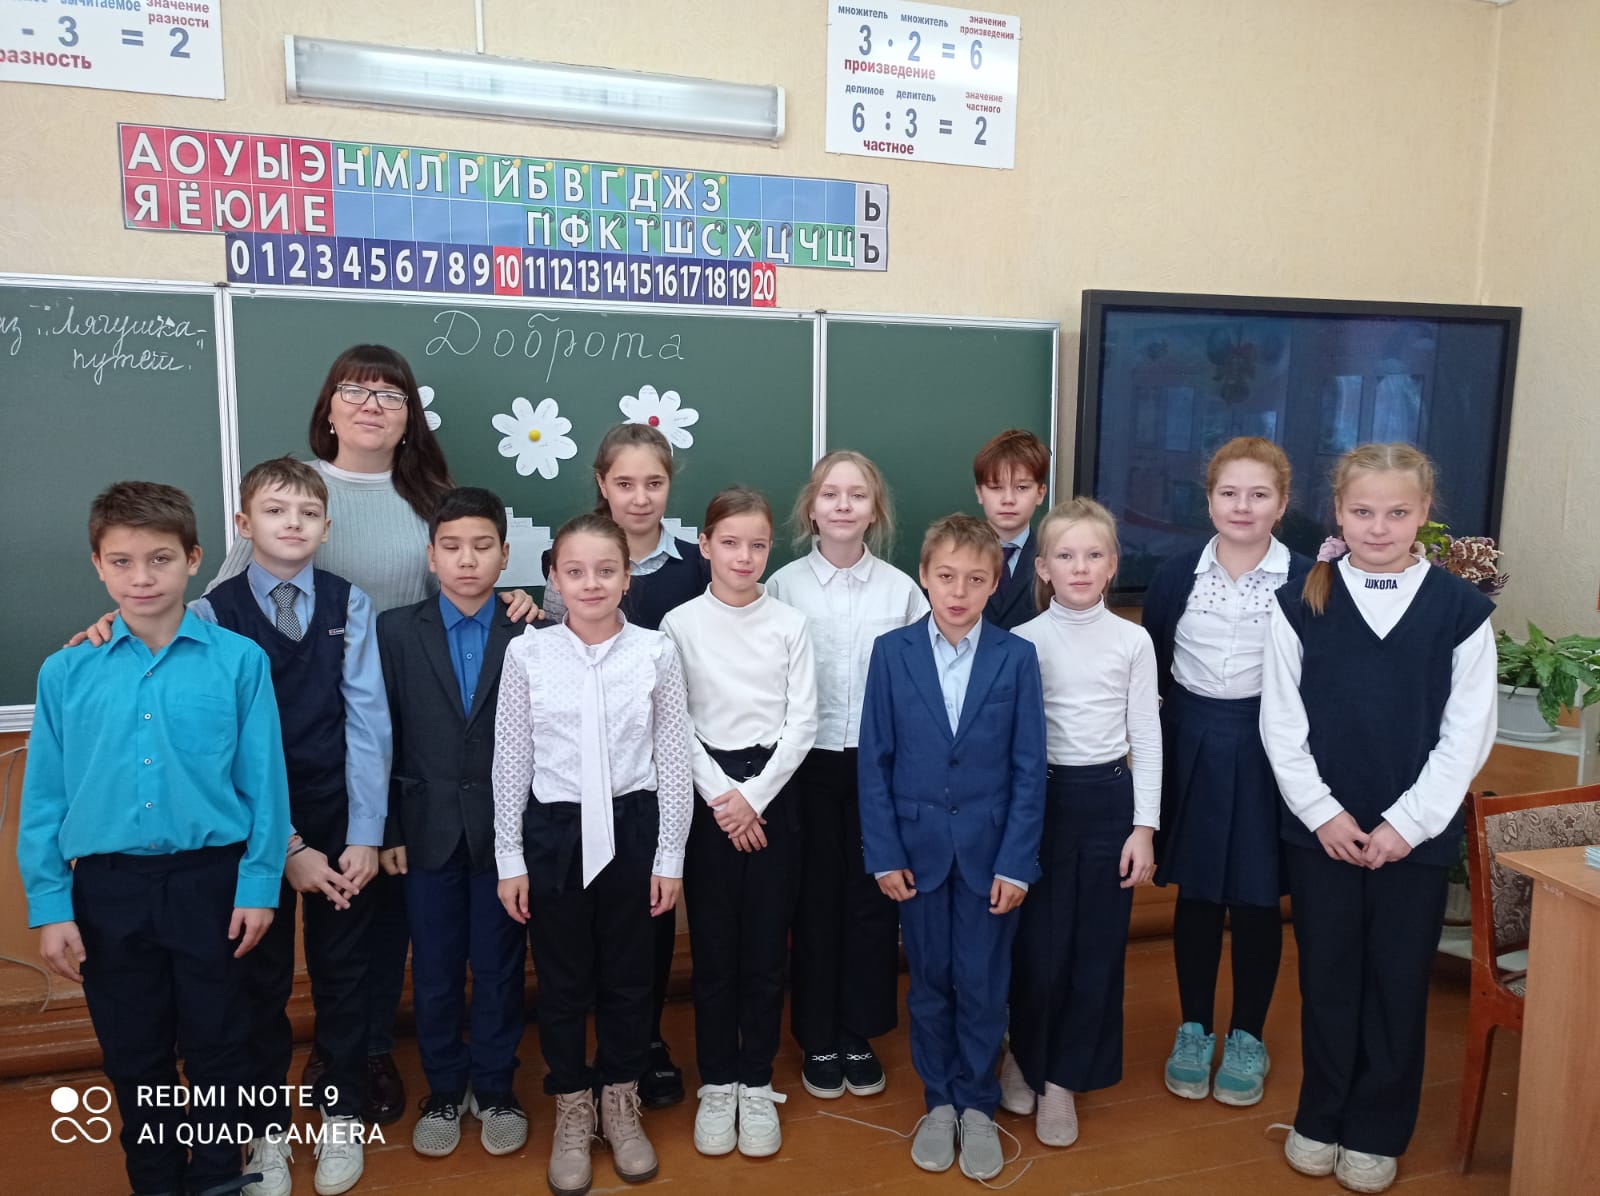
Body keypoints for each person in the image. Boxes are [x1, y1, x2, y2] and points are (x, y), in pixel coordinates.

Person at [71, 344, 538, 1124]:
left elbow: (471, 586)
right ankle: (297, 1086)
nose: (371, 404)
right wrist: (117, 622)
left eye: (390, 394)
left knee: (373, 927)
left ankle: (364, 1056)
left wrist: (525, 602)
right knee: (281, 944)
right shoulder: (288, 492)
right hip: (283, 751)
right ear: (328, 406)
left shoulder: (433, 500)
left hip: (401, 741)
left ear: (410, 417)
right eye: (354, 389)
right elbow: (191, 610)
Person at [18, 481, 291, 1196]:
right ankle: (156, 1181)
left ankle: (217, 1178)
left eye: (160, 559)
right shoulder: (66, 671)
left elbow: (264, 784)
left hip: (212, 884)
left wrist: (260, 884)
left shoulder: (239, 662)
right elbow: (43, 799)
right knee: (134, 1056)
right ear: (98, 566)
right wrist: (50, 904)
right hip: (107, 891)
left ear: (193, 560)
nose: (142, 577)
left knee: (219, 1047)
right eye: (122, 561)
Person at [1262, 443, 1495, 1194]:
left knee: (1396, 982)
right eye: (1362, 511)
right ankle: (1321, 1115)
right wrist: (1323, 814)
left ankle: (1377, 1130)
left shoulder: (1461, 611)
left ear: (1424, 513)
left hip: (1414, 842)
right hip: (1322, 834)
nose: (1379, 526)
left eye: (1397, 512)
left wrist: (1407, 825)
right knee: (1327, 977)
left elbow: (1467, 735)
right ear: (1338, 512)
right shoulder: (1299, 601)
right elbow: (1281, 723)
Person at [195, 458, 390, 1196]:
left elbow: (368, 722)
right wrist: (284, 848)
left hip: (337, 813)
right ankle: (265, 1134)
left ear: (326, 527)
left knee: (345, 974)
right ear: (244, 525)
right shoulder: (211, 614)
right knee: (259, 981)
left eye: (308, 513)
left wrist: (365, 833)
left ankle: (341, 1117)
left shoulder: (349, 602)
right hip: (252, 827)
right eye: (276, 511)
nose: (293, 524)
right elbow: (218, 746)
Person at [495, 511, 694, 1196]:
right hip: (555, 832)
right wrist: (510, 857)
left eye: (606, 570)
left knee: (631, 977)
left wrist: (669, 856)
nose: (591, 583)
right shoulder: (527, 655)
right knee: (562, 981)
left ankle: (620, 1097)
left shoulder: (655, 652)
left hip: (633, 825)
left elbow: (673, 760)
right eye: (575, 571)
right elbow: (511, 762)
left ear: (627, 577)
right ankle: (573, 1105)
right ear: (553, 577)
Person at [858, 514, 1046, 1183]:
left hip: (991, 857)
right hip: (917, 854)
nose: (958, 591)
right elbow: (874, 761)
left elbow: (1029, 769)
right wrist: (884, 853)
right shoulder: (892, 653)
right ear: (924, 577)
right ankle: (939, 1100)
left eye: (974, 579)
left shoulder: (1017, 658)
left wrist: (1017, 862)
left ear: (995, 583)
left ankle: (978, 1103)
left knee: (985, 985)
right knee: (931, 983)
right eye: (946, 577)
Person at [541, 422, 709, 1107]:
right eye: (625, 483)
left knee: (648, 924)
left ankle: (646, 1044)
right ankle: (590, 1066)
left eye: (655, 483)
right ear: (601, 485)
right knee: (585, 937)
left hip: (682, 766)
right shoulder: (574, 561)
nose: (640, 497)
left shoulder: (699, 563)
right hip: (590, 781)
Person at [1141, 438, 1312, 1108]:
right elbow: (1153, 661)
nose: (1243, 506)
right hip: (1190, 741)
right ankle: (1193, 1028)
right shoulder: (1175, 572)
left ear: (1282, 503)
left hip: (1270, 747)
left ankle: (1247, 1035)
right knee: (1200, 893)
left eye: (1259, 494)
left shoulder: (1308, 579)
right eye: (1229, 493)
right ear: (1209, 500)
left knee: (1257, 896)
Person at [659, 487, 817, 1160]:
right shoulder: (678, 624)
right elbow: (674, 722)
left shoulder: (790, 623)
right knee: (716, 950)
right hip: (710, 798)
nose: (743, 556)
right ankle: (717, 1081)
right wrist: (726, 800)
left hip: (774, 792)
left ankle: (756, 1080)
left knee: (766, 948)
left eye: (757, 544)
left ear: (770, 549)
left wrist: (755, 798)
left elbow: (803, 720)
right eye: (729, 543)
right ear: (705, 546)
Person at [766, 450, 926, 1100]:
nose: (842, 505)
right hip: (803, 765)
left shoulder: (902, 591)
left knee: (871, 902)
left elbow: (920, 686)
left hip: (878, 766)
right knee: (812, 903)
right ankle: (817, 1036)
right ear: (811, 508)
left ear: (875, 509)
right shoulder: (782, 587)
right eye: (830, 494)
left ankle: (859, 1031)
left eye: (857, 495)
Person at [377, 488, 531, 1162]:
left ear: (504, 554)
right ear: (431, 555)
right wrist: (387, 830)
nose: (467, 560)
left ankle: (495, 1088)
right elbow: (378, 736)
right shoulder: (393, 631)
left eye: (482, 546)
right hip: (423, 831)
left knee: (499, 967)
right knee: (435, 970)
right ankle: (443, 1089)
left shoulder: (530, 630)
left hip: (506, 837)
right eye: (452, 546)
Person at [1004, 498, 1162, 1148]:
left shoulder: (1132, 640)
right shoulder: (1022, 642)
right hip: (1040, 803)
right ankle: (1025, 1053)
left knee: (1093, 950)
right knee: (1037, 950)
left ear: (1112, 565)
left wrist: (1144, 828)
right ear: (1043, 567)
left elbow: (1145, 736)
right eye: (1065, 555)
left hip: (1108, 803)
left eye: (1094, 555)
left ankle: (1063, 1078)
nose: (1080, 566)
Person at [972, 429, 1051, 630]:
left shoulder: (1054, 559)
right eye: (996, 487)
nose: (1008, 499)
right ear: (979, 492)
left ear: (1040, 493)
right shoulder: (953, 558)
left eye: (1022, 487)